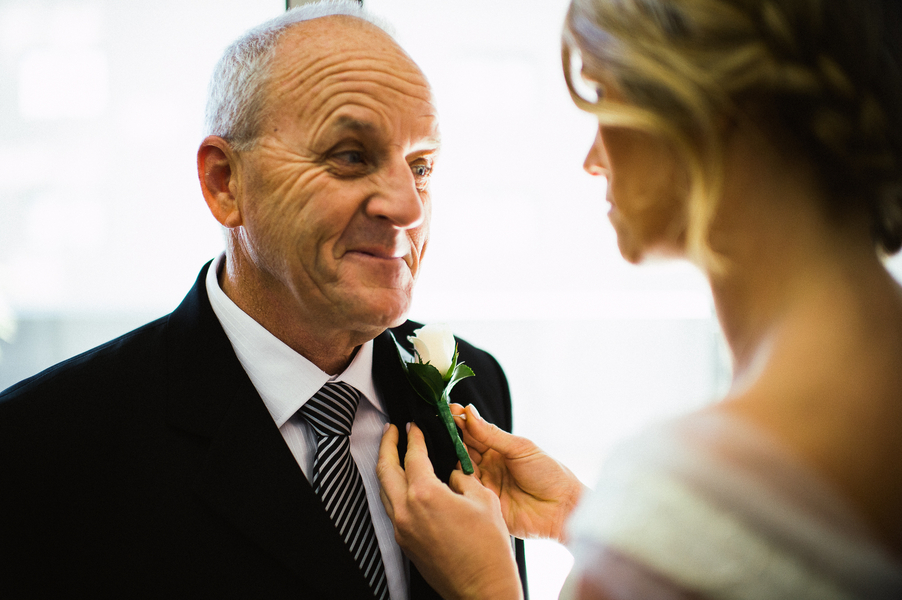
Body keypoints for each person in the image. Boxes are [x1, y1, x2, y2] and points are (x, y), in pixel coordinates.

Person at [0, 2, 527, 598]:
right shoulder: (42, 451)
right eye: (351, 156)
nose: (408, 209)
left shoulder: (476, 390)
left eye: (422, 166)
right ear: (225, 182)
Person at [377, 0, 902, 598]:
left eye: (604, 100)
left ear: (710, 113)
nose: (592, 160)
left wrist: (483, 584)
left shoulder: (690, 486)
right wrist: (586, 520)